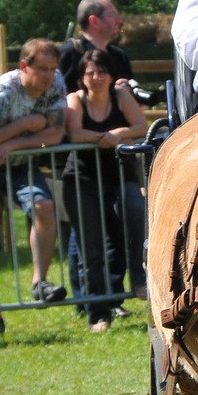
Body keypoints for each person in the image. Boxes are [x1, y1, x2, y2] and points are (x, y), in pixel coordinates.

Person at [0, 37, 69, 340]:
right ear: (24, 66)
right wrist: (27, 124)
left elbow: (56, 133)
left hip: (19, 160)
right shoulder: (4, 90)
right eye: (42, 69)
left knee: (44, 206)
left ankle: (40, 283)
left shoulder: (57, 82)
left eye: (52, 68)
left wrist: (10, 143)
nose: (49, 76)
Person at [63, 50, 152, 332]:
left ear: (112, 75)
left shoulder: (121, 96)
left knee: (136, 210)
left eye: (102, 71)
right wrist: (105, 137)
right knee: (92, 248)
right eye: (90, 72)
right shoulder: (75, 99)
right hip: (82, 180)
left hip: (119, 176)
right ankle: (98, 314)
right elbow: (75, 133)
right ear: (82, 77)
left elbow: (142, 126)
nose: (97, 77)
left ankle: (139, 277)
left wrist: (118, 134)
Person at [58, 0, 133, 88]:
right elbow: (60, 96)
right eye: (112, 15)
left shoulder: (120, 56)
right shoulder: (71, 53)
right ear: (94, 22)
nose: (119, 20)